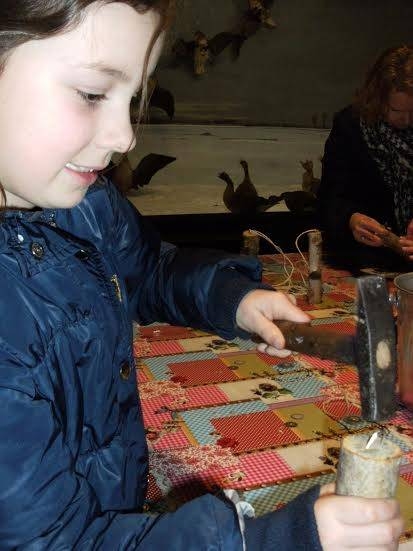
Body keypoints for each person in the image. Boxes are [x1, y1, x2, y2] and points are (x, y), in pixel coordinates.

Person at [0, 2, 404, 549]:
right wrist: (278, 539)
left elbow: (146, 268)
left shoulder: (85, 203)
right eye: (94, 93)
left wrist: (232, 299)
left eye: (133, 97)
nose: (124, 136)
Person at [317, 45, 413, 267]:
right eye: (397, 111)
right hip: (366, 260)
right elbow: (330, 200)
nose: (407, 120)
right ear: (377, 98)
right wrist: (351, 219)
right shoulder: (350, 126)